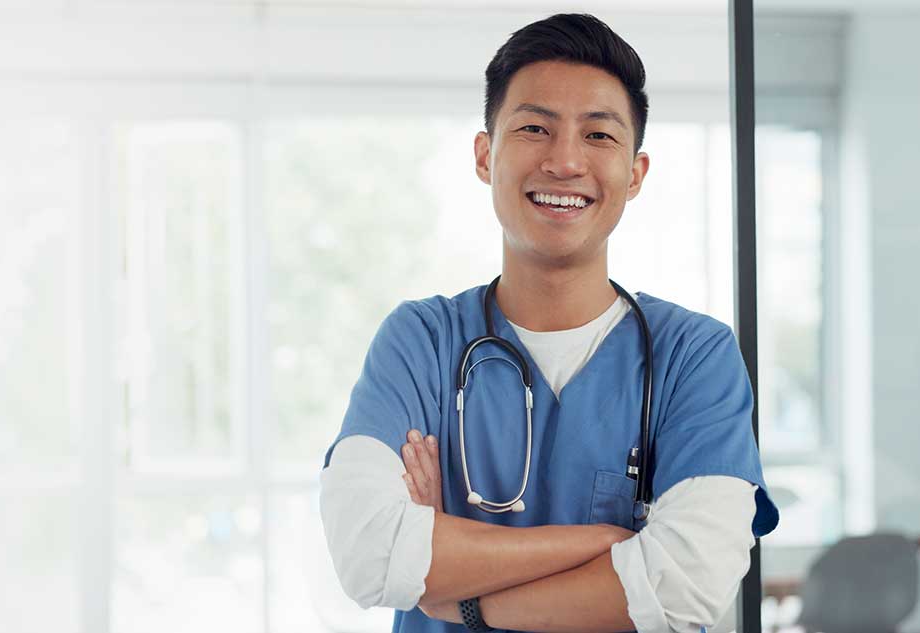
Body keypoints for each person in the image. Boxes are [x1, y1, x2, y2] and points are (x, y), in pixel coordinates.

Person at [317, 13, 779, 633]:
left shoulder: (693, 356)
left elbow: (684, 589)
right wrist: (609, 547)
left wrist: (454, 590)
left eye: (598, 136)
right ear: (486, 156)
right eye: (534, 128)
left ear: (636, 173)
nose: (564, 162)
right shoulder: (420, 342)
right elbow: (370, 556)